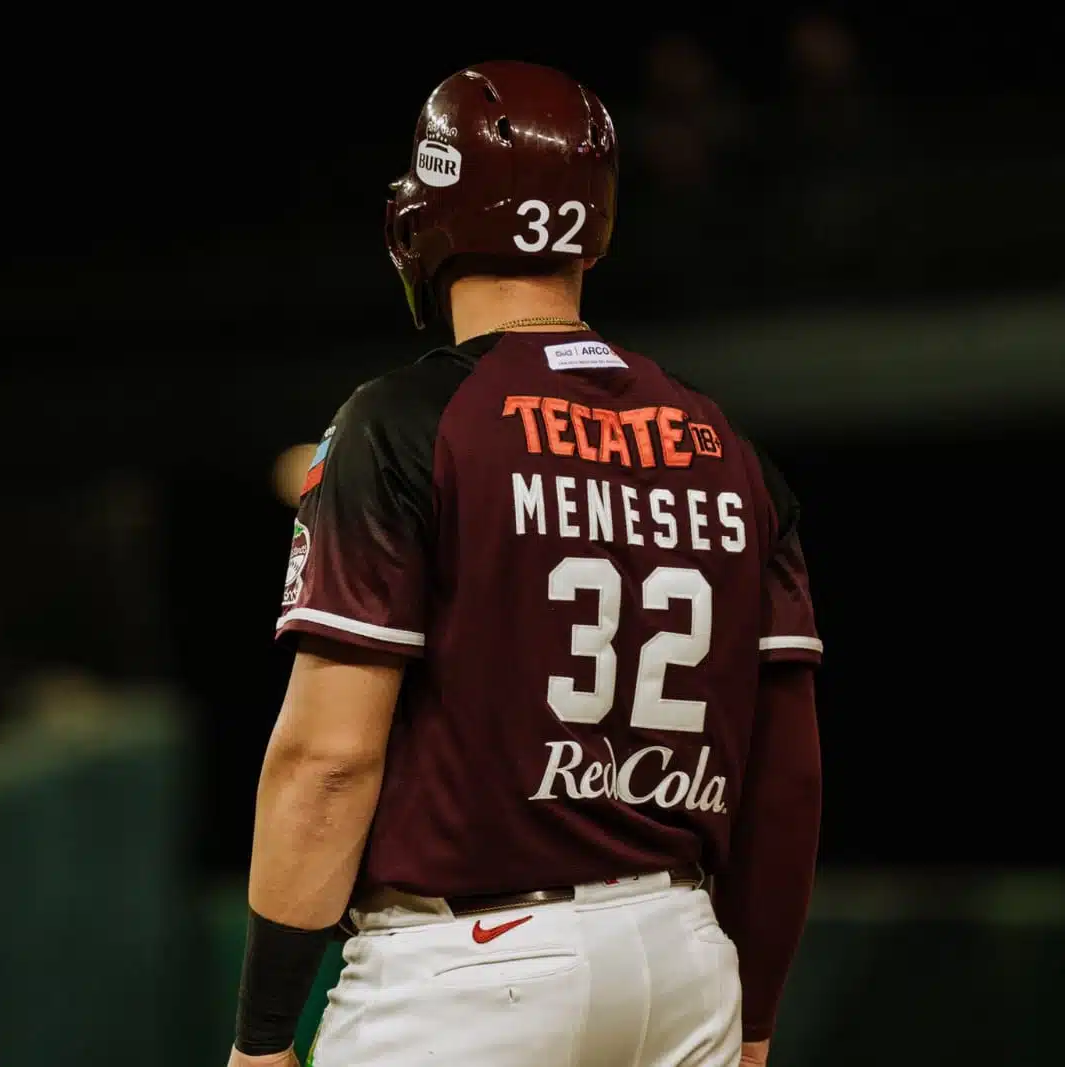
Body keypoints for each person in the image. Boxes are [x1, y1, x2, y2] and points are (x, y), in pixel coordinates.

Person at [228, 60, 823, 1067]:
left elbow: (325, 760)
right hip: (679, 961)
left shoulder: (404, 423)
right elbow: (786, 777)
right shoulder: (727, 444)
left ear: (423, 216)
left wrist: (260, 1032)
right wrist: (753, 1014)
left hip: (468, 967)